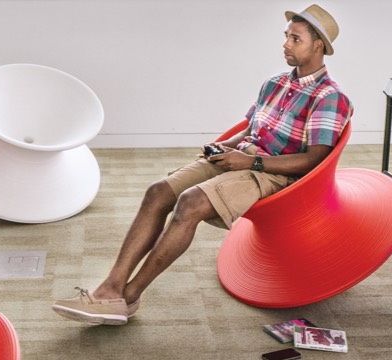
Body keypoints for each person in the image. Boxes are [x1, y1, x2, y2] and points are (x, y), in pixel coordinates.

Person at [52, 4, 353, 326]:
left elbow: (314, 159)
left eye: (295, 39)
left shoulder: (329, 97)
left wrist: (252, 161)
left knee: (190, 203)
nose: (285, 45)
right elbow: (252, 129)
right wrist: (224, 147)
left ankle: (128, 297)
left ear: (318, 45)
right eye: (286, 37)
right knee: (158, 192)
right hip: (245, 156)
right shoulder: (274, 83)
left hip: (276, 174)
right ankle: (111, 288)